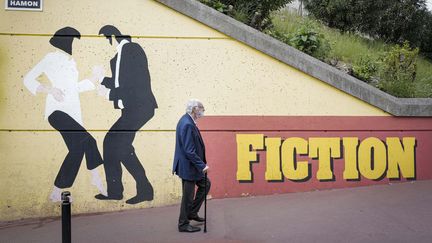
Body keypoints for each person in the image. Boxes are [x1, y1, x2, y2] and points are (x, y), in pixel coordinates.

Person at [23, 27, 106, 202]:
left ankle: (56, 191)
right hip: (56, 111)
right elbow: (28, 79)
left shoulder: (71, 62)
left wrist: (94, 77)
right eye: (71, 41)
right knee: (88, 141)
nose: (72, 45)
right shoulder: (50, 58)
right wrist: (49, 89)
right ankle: (96, 177)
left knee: (77, 149)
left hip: (72, 113)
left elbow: (74, 89)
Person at [94, 25, 158, 204]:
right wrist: (101, 80)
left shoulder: (130, 49)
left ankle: (139, 189)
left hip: (140, 107)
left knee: (116, 144)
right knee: (117, 145)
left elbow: (132, 83)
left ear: (113, 36)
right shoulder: (120, 55)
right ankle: (123, 190)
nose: (107, 43)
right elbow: (120, 81)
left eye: (107, 39)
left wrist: (107, 94)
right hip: (132, 108)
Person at [173, 99, 211, 233]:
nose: (203, 112)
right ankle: (183, 224)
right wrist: (202, 165)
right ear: (195, 109)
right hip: (189, 167)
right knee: (188, 196)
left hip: (190, 166)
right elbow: (189, 150)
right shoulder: (187, 124)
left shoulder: (186, 120)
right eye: (201, 109)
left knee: (205, 184)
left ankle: (192, 213)